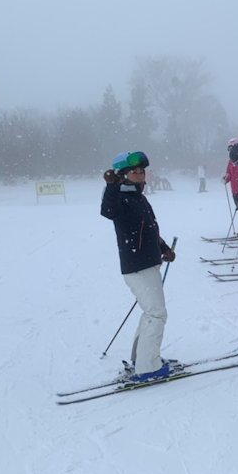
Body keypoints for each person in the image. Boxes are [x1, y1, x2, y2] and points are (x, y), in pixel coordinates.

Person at [100, 150, 176, 382]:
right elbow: (107, 211)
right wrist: (112, 186)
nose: (140, 174)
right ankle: (148, 367)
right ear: (122, 175)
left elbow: (148, 229)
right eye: (134, 171)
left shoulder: (138, 197)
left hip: (147, 263)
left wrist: (163, 248)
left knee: (151, 312)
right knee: (156, 313)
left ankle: (141, 358)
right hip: (137, 266)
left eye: (142, 170)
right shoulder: (120, 197)